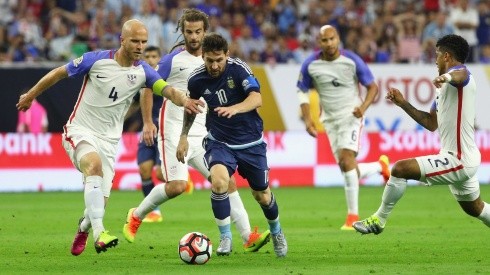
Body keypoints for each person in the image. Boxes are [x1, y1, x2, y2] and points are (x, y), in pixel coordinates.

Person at [16, 19, 204, 256]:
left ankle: (85, 227)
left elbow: (167, 90)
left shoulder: (143, 71)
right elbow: (58, 73)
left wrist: (185, 100)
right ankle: (99, 233)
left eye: (143, 42)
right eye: (135, 41)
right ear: (122, 40)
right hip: (80, 130)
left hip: (109, 142)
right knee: (93, 166)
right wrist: (31, 95)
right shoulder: (96, 60)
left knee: (98, 204)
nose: (139, 46)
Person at [123, 9, 271, 254]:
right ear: (183, 32)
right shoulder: (172, 60)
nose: (194, 37)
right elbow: (148, 86)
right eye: (189, 32)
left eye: (198, 32)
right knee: (177, 186)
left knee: (224, 181)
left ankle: (248, 236)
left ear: (205, 31)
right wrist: (148, 122)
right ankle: (137, 215)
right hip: (173, 129)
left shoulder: (212, 61)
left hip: (205, 133)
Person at [353, 34, 490, 235]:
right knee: (475, 208)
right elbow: (430, 123)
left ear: (446, 56)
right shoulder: (443, 89)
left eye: (437, 55)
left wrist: (446, 77)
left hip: (459, 159)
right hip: (461, 157)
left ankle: (379, 220)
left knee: (400, 169)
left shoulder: (461, 76)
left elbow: (460, 74)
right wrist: (403, 104)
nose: (435, 60)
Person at [176, 33, 288, 257]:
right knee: (219, 182)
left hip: (251, 142)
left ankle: (276, 231)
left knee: (262, 195)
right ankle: (226, 237)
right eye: (209, 60)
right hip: (219, 141)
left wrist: (235, 108)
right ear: (203, 58)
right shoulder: (196, 79)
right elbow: (191, 108)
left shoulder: (238, 69)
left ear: (227, 55)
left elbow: (257, 98)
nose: (215, 65)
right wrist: (183, 136)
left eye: (219, 60)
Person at [296, 25, 391, 231]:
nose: (329, 43)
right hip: (329, 120)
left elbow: (372, 86)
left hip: (351, 116)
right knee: (345, 166)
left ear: (338, 39)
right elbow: (302, 92)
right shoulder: (310, 65)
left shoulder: (352, 60)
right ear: (319, 43)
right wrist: (307, 120)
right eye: (324, 40)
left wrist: (363, 108)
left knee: (347, 160)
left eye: (332, 39)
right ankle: (379, 167)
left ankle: (352, 217)